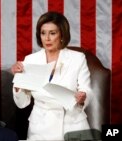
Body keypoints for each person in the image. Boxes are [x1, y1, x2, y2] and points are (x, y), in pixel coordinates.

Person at [11, 11, 93, 140]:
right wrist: (17, 82)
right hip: (40, 127)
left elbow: (86, 89)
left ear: (62, 35)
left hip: (72, 124)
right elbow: (22, 103)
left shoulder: (77, 58)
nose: (47, 38)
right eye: (43, 33)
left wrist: (82, 97)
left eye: (52, 33)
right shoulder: (30, 60)